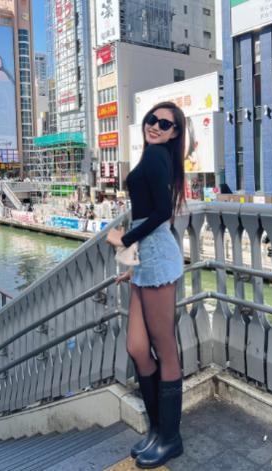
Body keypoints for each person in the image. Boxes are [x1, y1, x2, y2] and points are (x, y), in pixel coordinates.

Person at [106, 101, 186, 468]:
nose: (155, 126)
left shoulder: (156, 156)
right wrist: (133, 264)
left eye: (164, 124)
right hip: (146, 260)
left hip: (156, 258)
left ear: (174, 133)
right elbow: (148, 214)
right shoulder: (156, 156)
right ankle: (157, 430)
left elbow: (162, 214)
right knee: (138, 347)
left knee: (164, 348)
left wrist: (123, 240)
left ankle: (170, 438)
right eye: (152, 119)